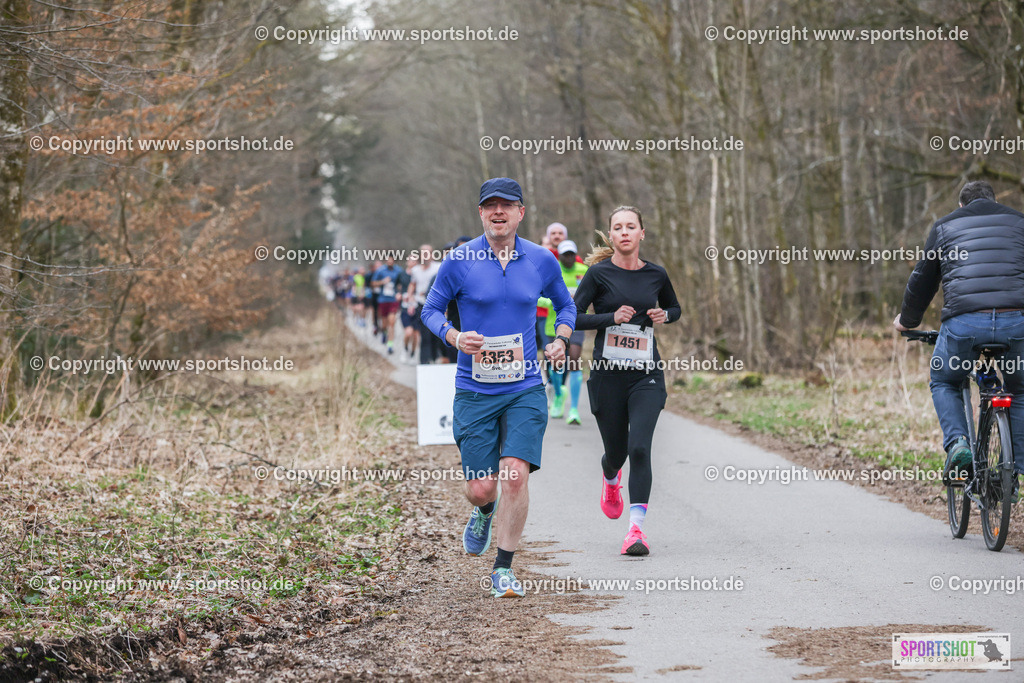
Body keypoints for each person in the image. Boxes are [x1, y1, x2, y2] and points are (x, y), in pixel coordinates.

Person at [421, 177, 575, 597]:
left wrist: (561, 338)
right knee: (481, 487)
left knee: (514, 476)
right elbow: (430, 310)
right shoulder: (459, 260)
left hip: (525, 386)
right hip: (475, 388)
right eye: (490, 205)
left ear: (521, 212)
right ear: (480, 213)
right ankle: (484, 512)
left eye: (507, 205)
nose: (498, 212)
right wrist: (454, 337)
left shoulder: (542, 260)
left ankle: (503, 569)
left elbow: (566, 304)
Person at [894, 180, 1024, 490]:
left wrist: (907, 320)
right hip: (1017, 322)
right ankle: (1013, 472)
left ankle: (958, 445)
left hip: (965, 324)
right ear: (994, 201)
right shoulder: (1019, 223)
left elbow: (923, 280)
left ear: (961, 206)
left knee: (945, 380)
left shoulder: (945, 227)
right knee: (1020, 389)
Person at [574, 205, 680, 556]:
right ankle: (609, 478)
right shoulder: (597, 274)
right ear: (612, 234)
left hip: (646, 374)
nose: (624, 232)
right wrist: (607, 318)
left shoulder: (656, 274)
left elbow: (675, 308)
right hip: (608, 377)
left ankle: (635, 531)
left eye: (630, 226)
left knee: (640, 448)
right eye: (617, 227)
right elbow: (572, 317)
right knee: (617, 453)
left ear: (641, 233)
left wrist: (664, 314)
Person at [538, 239, 589, 424]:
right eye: (565, 255)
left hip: (577, 322)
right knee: (555, 362)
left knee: (574, 360)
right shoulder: (550, 270)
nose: (568, 258)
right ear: (559, 255)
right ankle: (558, 394)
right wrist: (552, 302)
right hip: (553, 323)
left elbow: (594, 294)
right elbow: (536, 296)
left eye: (571, 254)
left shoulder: (583, 271)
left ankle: (574, 409)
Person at [410, 244, 442, 365]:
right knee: (425, 335)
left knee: (436, 333)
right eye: (423, 253)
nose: (426, 256)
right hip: (421, 304)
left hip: (436, 305)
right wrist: (410, 296)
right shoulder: (415, 270)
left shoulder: (438, 267)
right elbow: (412, 285)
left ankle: (436, 358)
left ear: (432, 254)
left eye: (428, 253)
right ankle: (424, 361)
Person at [371, 257, 404, 354]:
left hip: (393, 299)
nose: (390, 261)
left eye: (391, 260)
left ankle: (390, 345)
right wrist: (382, 282)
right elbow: (373, 283)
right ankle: (384, 333)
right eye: (388, 260)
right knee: (384, 324)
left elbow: (403, 283)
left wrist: (400, 290)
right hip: (383, 299)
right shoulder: (380, 270)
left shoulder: (399, 270)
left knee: (392, 322)